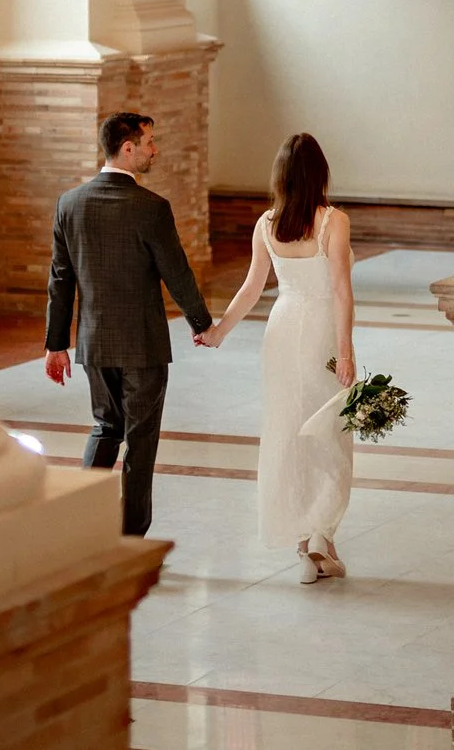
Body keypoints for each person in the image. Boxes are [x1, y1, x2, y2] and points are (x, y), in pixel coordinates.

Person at [44, 111, 214, 539]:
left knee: (105, 428)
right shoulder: (151, 208)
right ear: (127, 148)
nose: (155, 149)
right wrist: (201, 323)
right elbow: (177, 273)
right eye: (149, 142)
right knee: (140, 442)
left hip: (94, 343)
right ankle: (130, 539)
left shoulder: (69, 204)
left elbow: (60, 280)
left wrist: (55, 344)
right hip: (143, 346)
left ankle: (81, 527)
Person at [197, 132, 355, 583]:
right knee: (329, 431)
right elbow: (341, 290)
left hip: (283, 330)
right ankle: (321, 532)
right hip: (321, 331)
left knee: (288, 432)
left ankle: (306, 546)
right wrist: (345, 351)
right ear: (320, 173)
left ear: (280, 177)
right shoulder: (334, 221)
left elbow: (252, 288)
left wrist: (219, 332)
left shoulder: (266, 224)